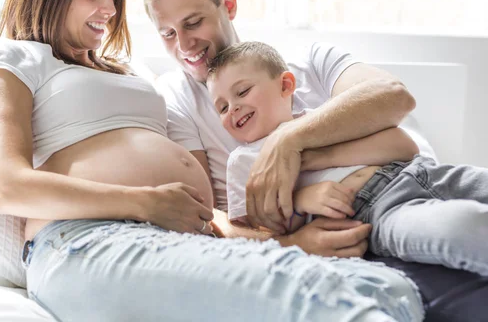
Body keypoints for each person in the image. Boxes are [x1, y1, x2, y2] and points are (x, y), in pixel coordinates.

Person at [0, 0, 426, 321]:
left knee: (389, 289)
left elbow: (395, 102)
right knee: (324, 298)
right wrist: (144, 203)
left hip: (168, 234)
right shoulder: (15, 58)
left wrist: (279, 239)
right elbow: (8, 186)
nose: (108, 9)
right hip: (83, 237)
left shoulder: (123, 71)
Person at [146, 0, 418, 253]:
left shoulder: (310, 61)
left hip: (402, 185)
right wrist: (291, 244)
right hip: (353, 227)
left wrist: (288, 141)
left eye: (193, 22)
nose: (184, 45)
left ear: (229, 5)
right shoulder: (175, 99)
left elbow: (395, 96)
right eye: (168, 34)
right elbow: (200, 214)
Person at [207, 41, 488, 276]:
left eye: (242, 92)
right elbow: (260, 226)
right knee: (464, 227)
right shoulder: (242, 161)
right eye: (221, 108)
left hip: (418, 172)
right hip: (377, 212)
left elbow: (404, 146)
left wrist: (308, 158)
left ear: (286, 85)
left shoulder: (325, 120)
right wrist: (301, 198)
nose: (233, 108)